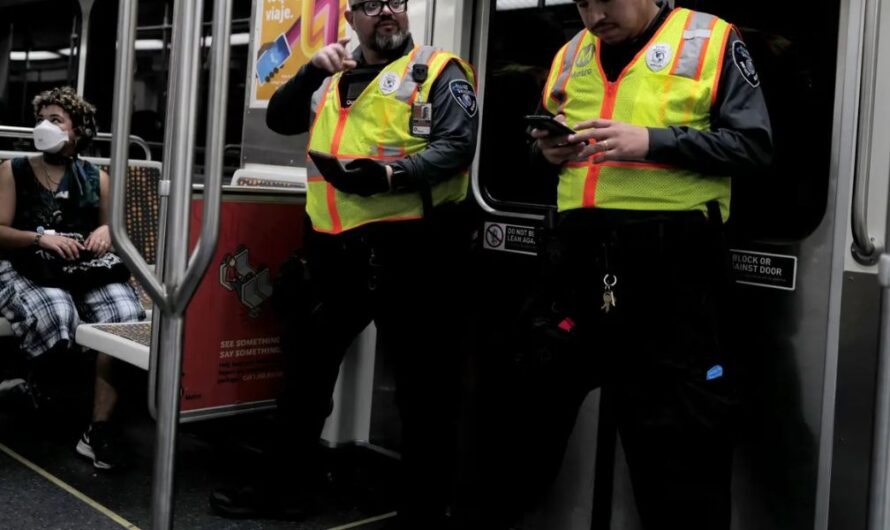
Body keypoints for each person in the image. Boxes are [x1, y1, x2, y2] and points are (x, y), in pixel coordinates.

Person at [476, 1, 773, 529]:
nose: (592, 17)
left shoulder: (709, 39)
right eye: (582, 3)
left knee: (678, 452)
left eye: (603, 0)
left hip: (672, 267)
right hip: (575, 263)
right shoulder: (571, 54)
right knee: (517, 416)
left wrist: (651, 142)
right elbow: (543, 141)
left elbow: (752, 147)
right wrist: (545, 151)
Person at [209, 0, 479, 527]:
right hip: (332, 251)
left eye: (396, 3)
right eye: (372, 4)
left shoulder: (439, 71)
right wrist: (311, 66)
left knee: (424, 391)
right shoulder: (334, 75)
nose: (387, 13)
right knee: (304, 380)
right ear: (351, 17)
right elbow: (284, 117)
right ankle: (284, 490)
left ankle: (423, 511)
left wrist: (389, 177)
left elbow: (458, 145)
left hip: (413, 250)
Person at [0, 87, 145, 470]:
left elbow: (113, 228)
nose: (44, 126)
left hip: (82, 267)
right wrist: (39, 238)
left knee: (123, 314)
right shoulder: (13, 170)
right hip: (28, 262)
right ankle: (35, 388)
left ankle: (99, 430)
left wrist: (107, 233)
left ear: (76, 131)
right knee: (57, 311)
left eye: (55, 119)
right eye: (41, 118)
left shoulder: (97, 178)